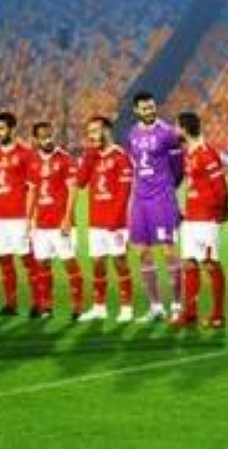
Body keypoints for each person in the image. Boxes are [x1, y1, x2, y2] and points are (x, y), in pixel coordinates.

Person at [125, 91, 184, 322]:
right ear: (136, 110)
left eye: (151, 107)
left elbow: (178, 169)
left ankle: (177, 305)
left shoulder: (168, 133)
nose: (149, 111)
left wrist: (168, 190)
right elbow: (135, 168)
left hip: (161, 199)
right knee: (142, 252)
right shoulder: (132, 134)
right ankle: (156, 306)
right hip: (140, 200)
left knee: (168, 251)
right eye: (144, 108)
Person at [172, 112, 228, 329]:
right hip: (190, 219)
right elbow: (191, 184)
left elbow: (221, 186)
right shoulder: (189, 153)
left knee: (210, 263)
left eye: (176, 126)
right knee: (188, 263)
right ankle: (190, 313)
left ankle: (218, 314)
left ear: (184, 129)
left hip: (207, 218)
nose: (174, 131)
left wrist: (223, 210)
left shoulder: (207, 153)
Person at [76, 116, 135, 323]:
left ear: (107, 131)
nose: (91, 135)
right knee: (97, 263)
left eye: (95, 130)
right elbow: (80, 182)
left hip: (116, 223)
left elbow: (124, 193)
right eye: (89, 132)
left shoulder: (121, 156)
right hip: (96, 222)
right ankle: (99, 307)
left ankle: (126, 307)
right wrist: (90, 154)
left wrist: (116, 220)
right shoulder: (92, 155)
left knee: (120, 262)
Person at [27, 121, 83, 320]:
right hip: (41, 224)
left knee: (70, 264)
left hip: (61, 224)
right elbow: (32, 191)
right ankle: (47, 306)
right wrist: (28, 219)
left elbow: (73, 190)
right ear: (36, 139)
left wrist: (67, 218)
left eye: (50, 135)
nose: (48, 140)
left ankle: (77, 307)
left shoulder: (65, 159)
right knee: (43, 265)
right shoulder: (33, 161)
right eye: (43, 137)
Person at [0, 111, 39, 317]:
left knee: (28, 261)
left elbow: (33, 188)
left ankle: (38, 303)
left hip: (19, 217)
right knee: (4, 261)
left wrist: (29, 218)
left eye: (1, 128)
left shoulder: (26, 154)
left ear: (12, 129)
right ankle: (11, 304)